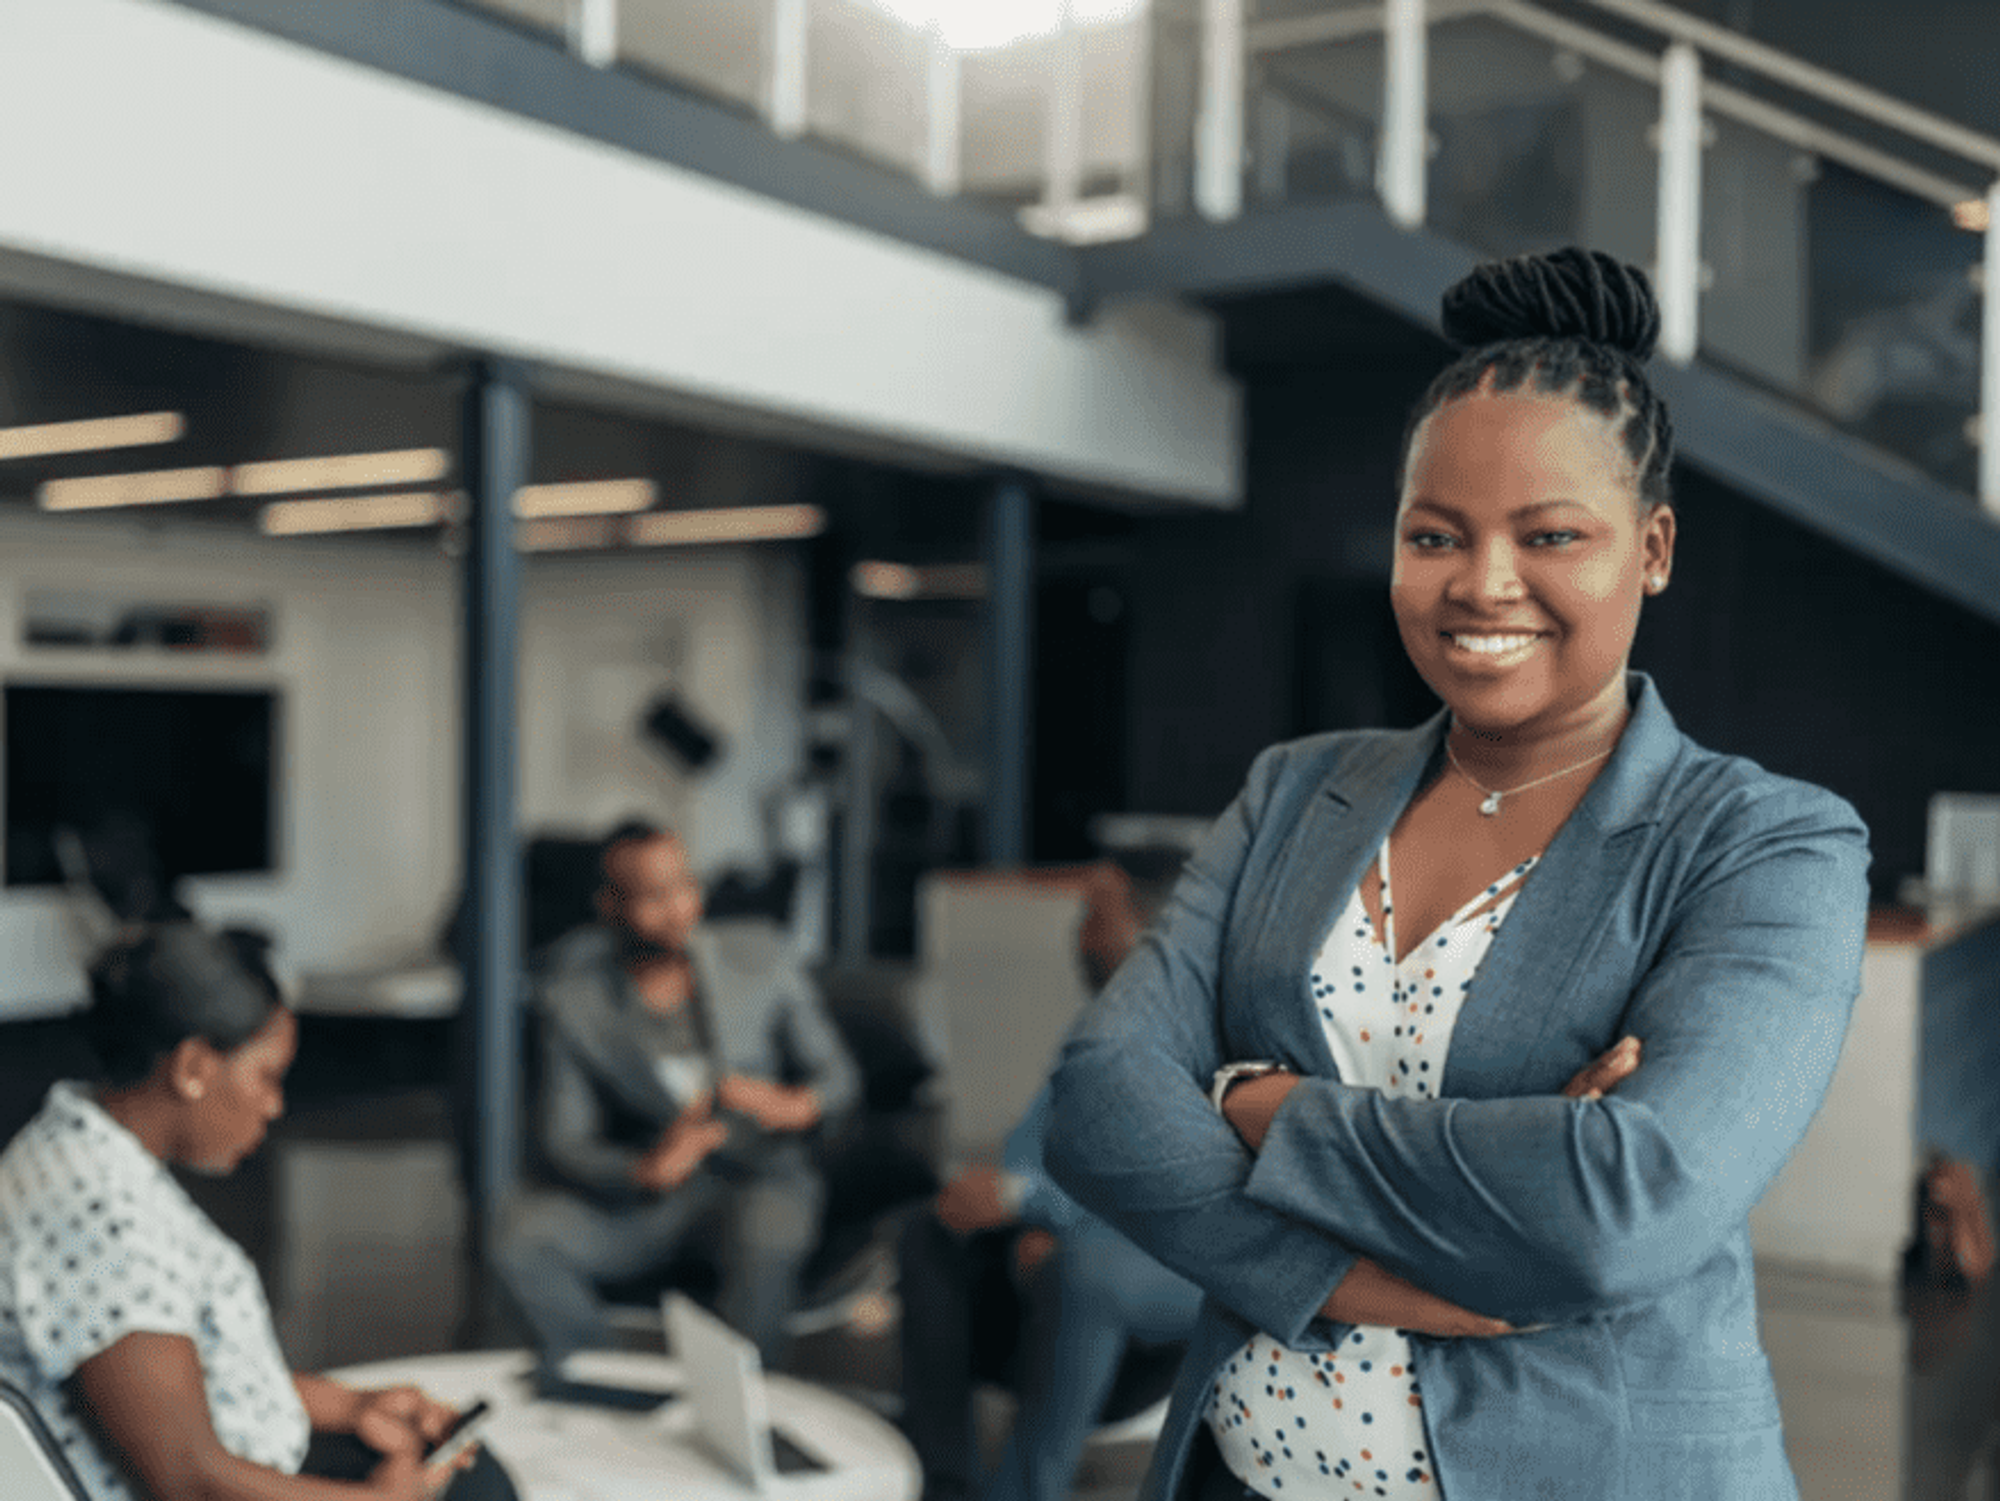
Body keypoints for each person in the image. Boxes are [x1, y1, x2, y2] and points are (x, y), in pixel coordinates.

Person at [1045, 247, 1872, 1501]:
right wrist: (1356, 1270)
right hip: (1237, 1472)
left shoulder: (1764, 843)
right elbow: (1098, 1099)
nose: (1481, 584)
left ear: (1649, 548)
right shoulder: (1292, 788)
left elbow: (1621, 1208)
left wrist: (1257, 1108)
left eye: (1548, 535)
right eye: (1435, 534)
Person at [0, 921, 516, 1501]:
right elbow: (190, 1479)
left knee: (457, 1470)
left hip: (232, 1459)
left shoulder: (79, 1144)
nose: (274, 1107)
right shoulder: (97, 1217)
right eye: (267, 1077)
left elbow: (179, 1379)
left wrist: (351, 1406)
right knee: (473, 1491)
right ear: (193, 1067)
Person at [494, 821, 859, 1369]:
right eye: (654, 896)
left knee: (763, 1253)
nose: (679, 908)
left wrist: (793, 1104)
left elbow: (838, 1076)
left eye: (686, 886)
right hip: (660, 1198)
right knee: (519, 1239)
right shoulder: (574, 1003)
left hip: (766, 1176)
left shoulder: (761, 956)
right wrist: (645, 1169)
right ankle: (608, 1381)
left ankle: (746, 1412)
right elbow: (564, 1140)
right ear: (610, 905)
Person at [898, 859, 1204, 1501]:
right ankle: (947, 1482)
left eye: (1095, 922)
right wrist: (1021, 1208)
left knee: (1086, 1267)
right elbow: (1028, 1153)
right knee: (930, 1231)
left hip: (1160, 1284)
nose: (1079, 939)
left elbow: (1173, 1193)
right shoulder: (1093, 1029)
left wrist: (1037, 1206)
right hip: (1051, 1268)